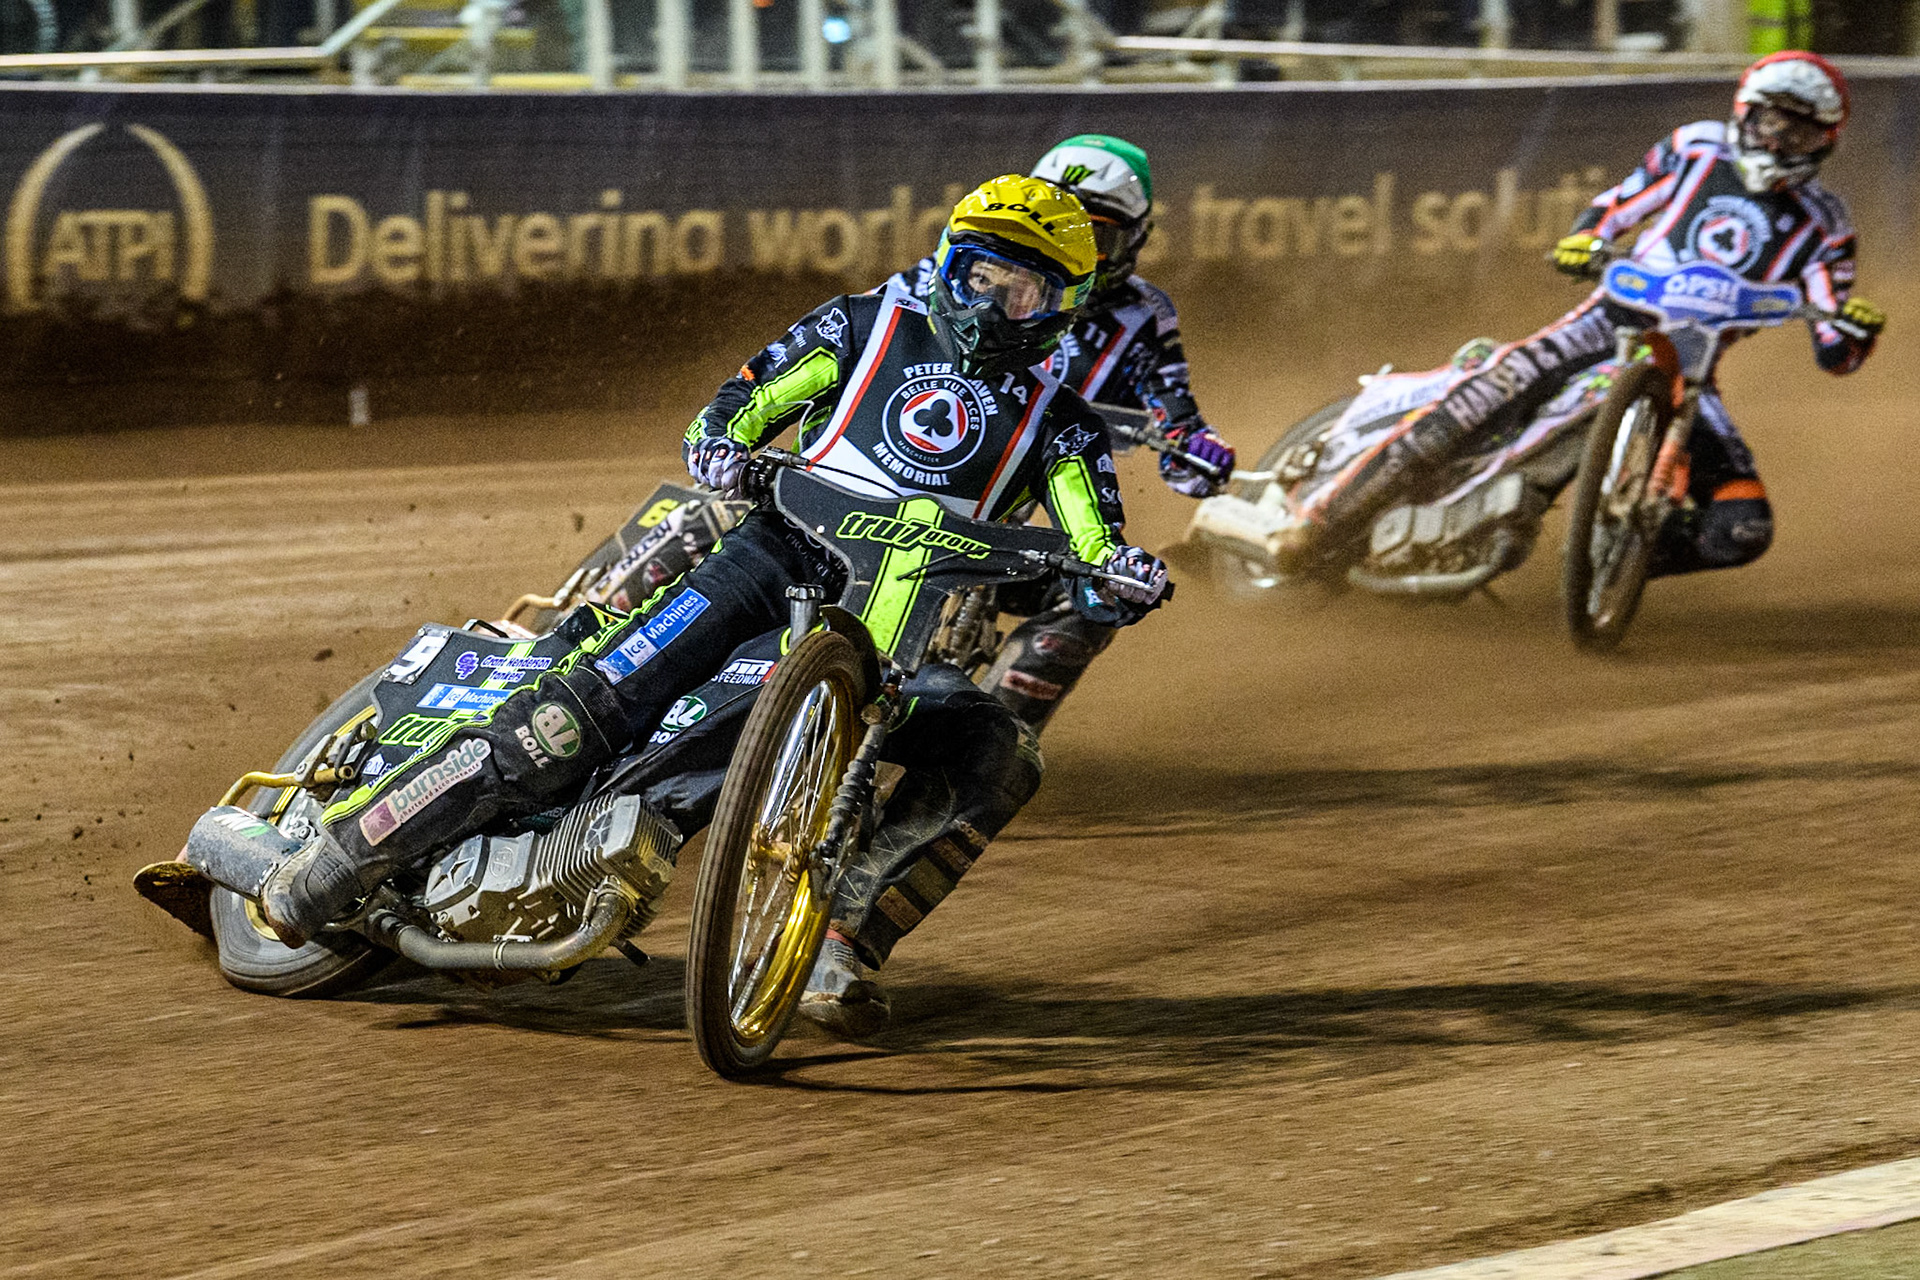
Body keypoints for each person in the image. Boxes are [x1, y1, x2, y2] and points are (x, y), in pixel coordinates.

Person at [249, 176, 1171, 1037]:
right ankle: (339, 856)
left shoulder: (1065, 427)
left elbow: (1096, 542)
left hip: (888, 643)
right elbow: (748, 398)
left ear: (1063, 307)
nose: (991, 305)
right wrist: (722, 440)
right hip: (768, 559)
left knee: (998, 747)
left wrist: (1119, 576)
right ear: (948, 264)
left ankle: (841, 942)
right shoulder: (864, 324)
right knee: (572, 717)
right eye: (979, 277)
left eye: (1023, 293)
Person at [1271, 51, 1884, 579]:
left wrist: (1855, 331)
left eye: (1798, 134)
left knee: (1743, 527)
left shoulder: (1825, 225)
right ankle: (1321, 520)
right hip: (1604, 322)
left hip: (1688, 371)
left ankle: (1607, 560)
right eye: (1772, 123)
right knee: (1483, 399)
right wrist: (1586, 239)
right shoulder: (1696, 148)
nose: (1778, 143)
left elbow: (1836, 349)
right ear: (1746, 113)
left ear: (1824, 141)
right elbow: (1616, 207)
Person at [889, 135, 1237, 732]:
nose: (1077, 250)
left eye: (1097, 236)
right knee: (745, 516)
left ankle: (993, 742)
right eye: (1061, 223)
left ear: (1135, 240)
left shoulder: (1145, 316)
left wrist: (1194, 449)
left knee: (1098, 593)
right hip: (901, 463)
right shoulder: (965, 265)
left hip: (1023, 508)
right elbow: (868, 331)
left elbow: (1176, 417)